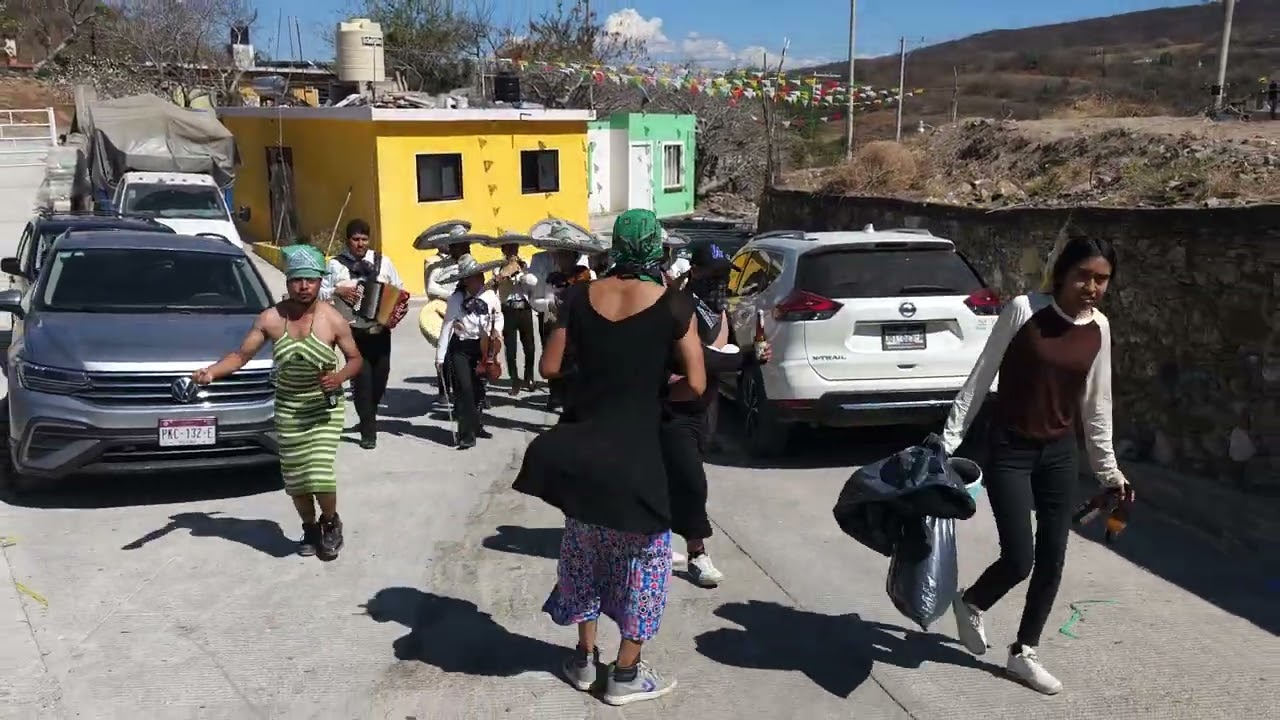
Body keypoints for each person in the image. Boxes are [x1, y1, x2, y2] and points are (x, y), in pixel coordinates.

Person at [512, 209, 705, 707]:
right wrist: (657, 391)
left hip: (583, 450)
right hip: (639, 457)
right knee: (645, 565)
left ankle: (582, 660)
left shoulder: (578, 296)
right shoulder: (675, 305)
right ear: (656, 247)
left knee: (585, 556)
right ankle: (624, 675)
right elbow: (698, 384)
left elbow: (549, 365)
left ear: (615, 245)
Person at [941, 236, 1132, 696]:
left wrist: (1109, 471)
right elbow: (981, 376)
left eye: (1102, 279)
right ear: (1064, 272)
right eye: (1084, 275)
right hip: (1010, 448)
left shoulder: (1099, 328)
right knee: (1019, 557)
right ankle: (972, 602)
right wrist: (947, 442)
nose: (1092, 287)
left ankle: (1024, 652)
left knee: (1053, 557)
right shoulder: (1025, 310)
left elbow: (1096, 405)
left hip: (1060, 453)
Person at [193, 244, 362, 559]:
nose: (303, 286)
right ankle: (309, 529)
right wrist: (211, 373)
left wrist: (338, 378)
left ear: (319, 281)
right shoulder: (270, 319)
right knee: (297, 479)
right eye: (297, 279)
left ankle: (330, 522)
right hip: (288, 408)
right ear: (288, 282)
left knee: (319, 472)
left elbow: (355, 359)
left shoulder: (333, 319)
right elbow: (241, 355)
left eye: (310, 280)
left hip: (324, 408)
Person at [661, 242, 763, 587]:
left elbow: (718, 357)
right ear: (696, 273)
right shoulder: (681, 308)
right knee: (692, 481)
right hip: (674, 410)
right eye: (713, 274)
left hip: (707, 407)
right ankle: (697, 553)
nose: (720, 282)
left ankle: (657, 542)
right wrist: (747, 357)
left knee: (678, 479)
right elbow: (702, 360)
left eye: (725, 276)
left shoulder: (718, 310)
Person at [319, 219, 406, 449]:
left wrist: (396, 310)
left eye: (364, 239)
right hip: (352, 333)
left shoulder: (383, 262)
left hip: (380, 331)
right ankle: (369, 431)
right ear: (348, 241)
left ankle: (369, 414)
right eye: (355, 239)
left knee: (380, 380)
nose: (360, 244)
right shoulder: (336, 265)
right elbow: (320, 292)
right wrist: (338, 289)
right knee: (363, 380)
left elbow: (399, 288)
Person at [437, 255, 504, 449]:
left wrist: (496, 331)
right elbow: (447, 326)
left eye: (480, 275)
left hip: (482, 345)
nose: (480, 279)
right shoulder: (456, 299)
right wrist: (440, 356)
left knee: (477, 390)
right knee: (464, 389)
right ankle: (466, 434)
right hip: (461, 346)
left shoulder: (490, 296)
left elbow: (498, 317)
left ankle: (476, 425)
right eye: (474, 277)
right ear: (466, 280)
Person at [425, 238, 472, 402]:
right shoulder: (439, 266)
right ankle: (444, 389)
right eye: (461, 246)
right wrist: (452, 295)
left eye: (466, 245)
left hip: (469, 312)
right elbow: (431, 287)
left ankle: (474, 395)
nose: (465, 248)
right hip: (446, 309)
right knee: (445, 350)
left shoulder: (471, 263)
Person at [492, 243, 539, 394]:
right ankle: (514, 381)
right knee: (511, 349)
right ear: (503, 250)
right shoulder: (498, 267)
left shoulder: (525, 264)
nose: (513, 252)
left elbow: (532, 283)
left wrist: (522, 273)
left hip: (524, 308)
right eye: (509, 249)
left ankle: (529, 376)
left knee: (529, 346)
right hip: (508, 308)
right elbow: (496, 284)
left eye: (515, 249)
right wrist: (507, 273)